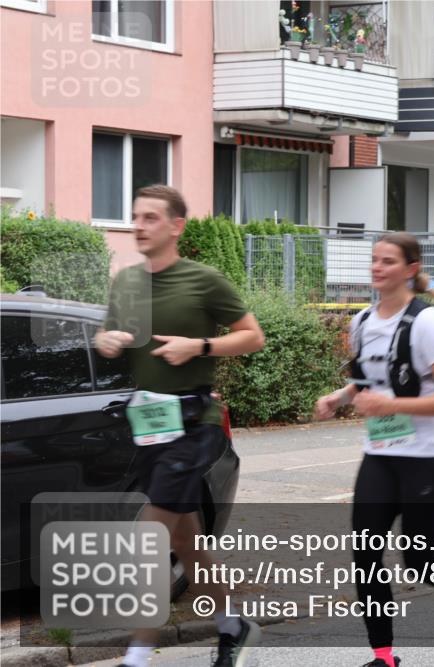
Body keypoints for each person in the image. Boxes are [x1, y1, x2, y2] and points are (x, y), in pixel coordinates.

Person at [94, 185, 266, 667]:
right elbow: (107, 333)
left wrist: (199, 346)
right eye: (135, 216)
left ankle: (137, 655)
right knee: (185, 541)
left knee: (148, 537)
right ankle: (234, 627)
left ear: (176, 226)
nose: (139, 225)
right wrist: (107, 340)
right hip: (148, 425)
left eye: (151, 217)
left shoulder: (203, 280)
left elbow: (253, 336)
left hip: (194, 423)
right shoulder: (126, 281)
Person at [313, 232, 434, 667]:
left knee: (417, 561)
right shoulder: (361, 321)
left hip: (430, 458)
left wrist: (390, 405)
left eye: (388, 261)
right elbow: (369, 381)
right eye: (374, 260)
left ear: (410, 269)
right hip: (381, 454)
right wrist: (338, 398)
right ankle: (384, 656)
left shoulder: (426, 322)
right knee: (366, 553)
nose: (377, 268)